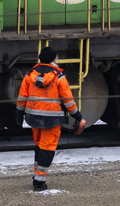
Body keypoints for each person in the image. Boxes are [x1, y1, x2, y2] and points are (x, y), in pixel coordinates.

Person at [15, 47, 85, 191]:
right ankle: (39, 182)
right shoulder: (59, 77)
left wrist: (19, 113)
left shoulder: (30, 74)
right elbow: (68, 100)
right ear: (54, 60)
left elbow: (22, 96)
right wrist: (77, 115)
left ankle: (37, 175)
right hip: (52, 120)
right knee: (47, 149)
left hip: (34, 118)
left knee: (40, 146)